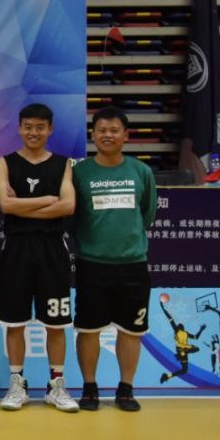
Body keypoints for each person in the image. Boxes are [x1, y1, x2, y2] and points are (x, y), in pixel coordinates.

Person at [0, 103, 79, 412]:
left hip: (52, 248)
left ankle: (56, 385)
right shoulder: (4, 163)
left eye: (40, 127)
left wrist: (24, 206)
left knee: (55, 323)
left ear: (50, 129)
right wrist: (46, 200)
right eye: (28, 127)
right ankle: (17, 383)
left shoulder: (64, 164)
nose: (33, 132)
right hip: (16, 248)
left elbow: (68, 206)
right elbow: (6, 205)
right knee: (14, 322)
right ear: (19, 128)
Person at [72, 106, 158, 412]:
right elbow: (72, 216)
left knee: (131, 330)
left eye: (114, 130)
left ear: (126, 135)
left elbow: (147, 214)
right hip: (92, 264)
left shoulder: (141, 172)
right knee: (88, 329)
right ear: (93, 135)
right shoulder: (79, 173)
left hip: (132, 264)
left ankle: (126, 389)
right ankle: (89, 388)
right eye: (101, 130)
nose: (107, 135)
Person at [158, 298, 206, 384]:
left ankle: (167, 376)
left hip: (184, 350)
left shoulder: (184, 332)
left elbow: (196, 337)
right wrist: (163, 308)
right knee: (195, 349)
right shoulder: (178, 331)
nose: (180, 324)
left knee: (184, 370)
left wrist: (201, 330)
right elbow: (170, 318)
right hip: (181, 349)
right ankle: (182, 353)